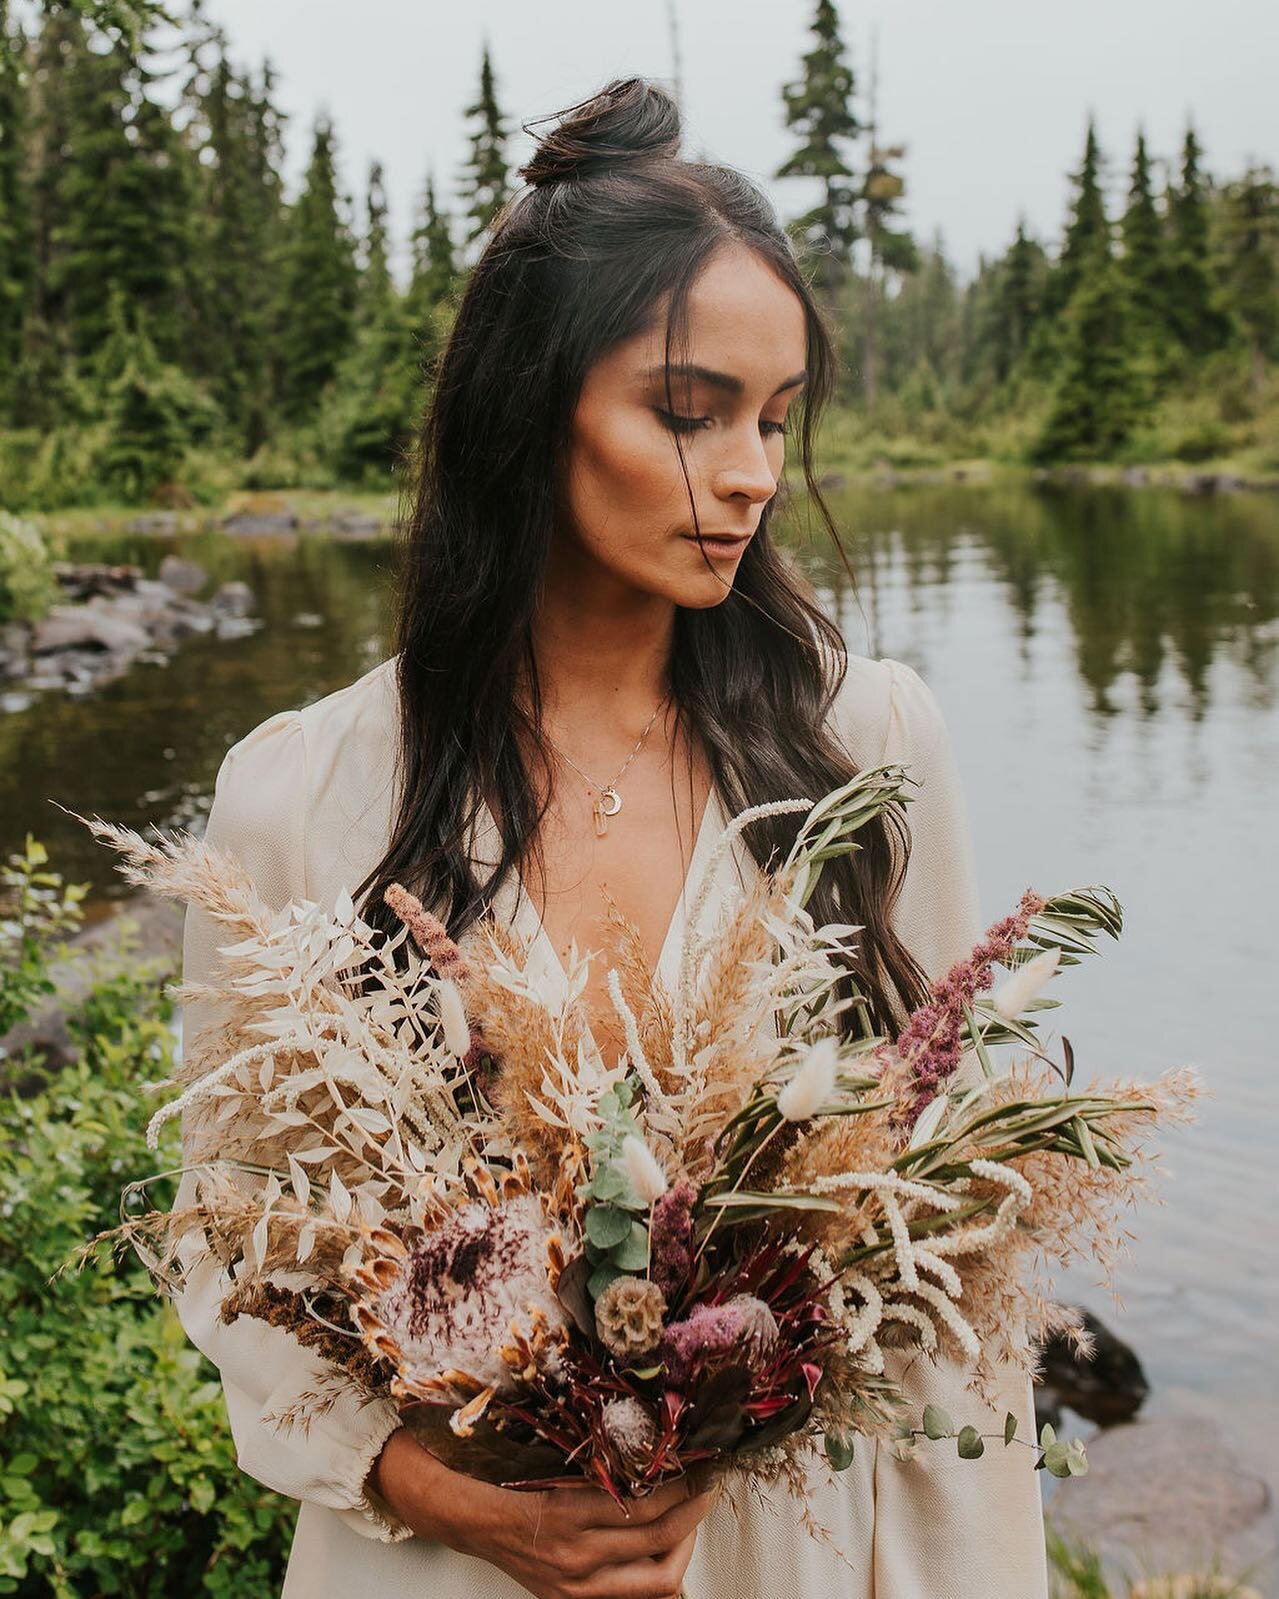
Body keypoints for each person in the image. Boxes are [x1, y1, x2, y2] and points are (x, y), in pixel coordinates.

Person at [176, 77, 1049, 1599]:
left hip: (795, 1551)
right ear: (534, 401)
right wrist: (441, 1494)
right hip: (458, 1564)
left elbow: (957, 1244)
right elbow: (227, 1241)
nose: (757, 476)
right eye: (688, 409)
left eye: (777, 419)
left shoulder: (869, 746)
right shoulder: (306, 796)